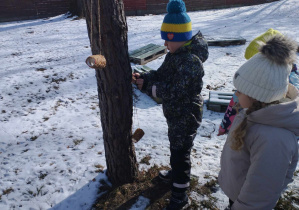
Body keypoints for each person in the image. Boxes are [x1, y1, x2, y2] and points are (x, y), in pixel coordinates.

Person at [132, 0, 209, 209]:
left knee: (180, 153)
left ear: (180, 38)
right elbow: (162, 75)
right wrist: (146, 77)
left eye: (168, 40)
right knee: (176, 148)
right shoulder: (175, 55)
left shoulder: (191, 62)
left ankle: (180, 195)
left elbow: (174, 91)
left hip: (187, 115)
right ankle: (176, 175)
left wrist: (148, 88)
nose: (165, 44)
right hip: (176, 115)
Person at [218, 35, 299, 210]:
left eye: (240, 91)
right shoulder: (253, 112)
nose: (236, 95)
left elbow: (260, 194)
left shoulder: (274, 139)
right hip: (238, 194)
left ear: (258, 96)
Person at [218, 28, 299, 136]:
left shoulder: (269, 134)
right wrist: (224, 126)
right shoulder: (249, 87)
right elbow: (233, 107)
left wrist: (225, 127)